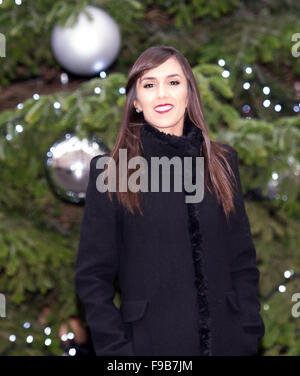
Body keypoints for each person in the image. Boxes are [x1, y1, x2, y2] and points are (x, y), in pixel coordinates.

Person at [75, 45, 265, 356]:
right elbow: (92, 279)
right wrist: (118, 350)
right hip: (149, 347)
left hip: (228, 344)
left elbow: (241, 259)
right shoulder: (112, 172)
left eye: (173, 82)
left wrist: (248, 330)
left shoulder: (222, 162)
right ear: (136, 101)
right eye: (149, 85)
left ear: (189, 92)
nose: (162, 94)